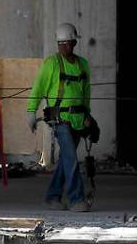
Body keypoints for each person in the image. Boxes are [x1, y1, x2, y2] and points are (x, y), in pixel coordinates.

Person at [27, 22, 92, 211]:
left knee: (66, 159)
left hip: (79, 119)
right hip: (60, 120)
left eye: (68, 43)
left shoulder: (83, 65)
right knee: (71, 159)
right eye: (61, 44)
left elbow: (86, 92)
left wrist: (88, 115)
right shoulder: (52, 64)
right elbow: (38, 89)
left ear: (74, 42)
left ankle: (52, 197)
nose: (65, 47)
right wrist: (31, 112)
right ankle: (76, 199)